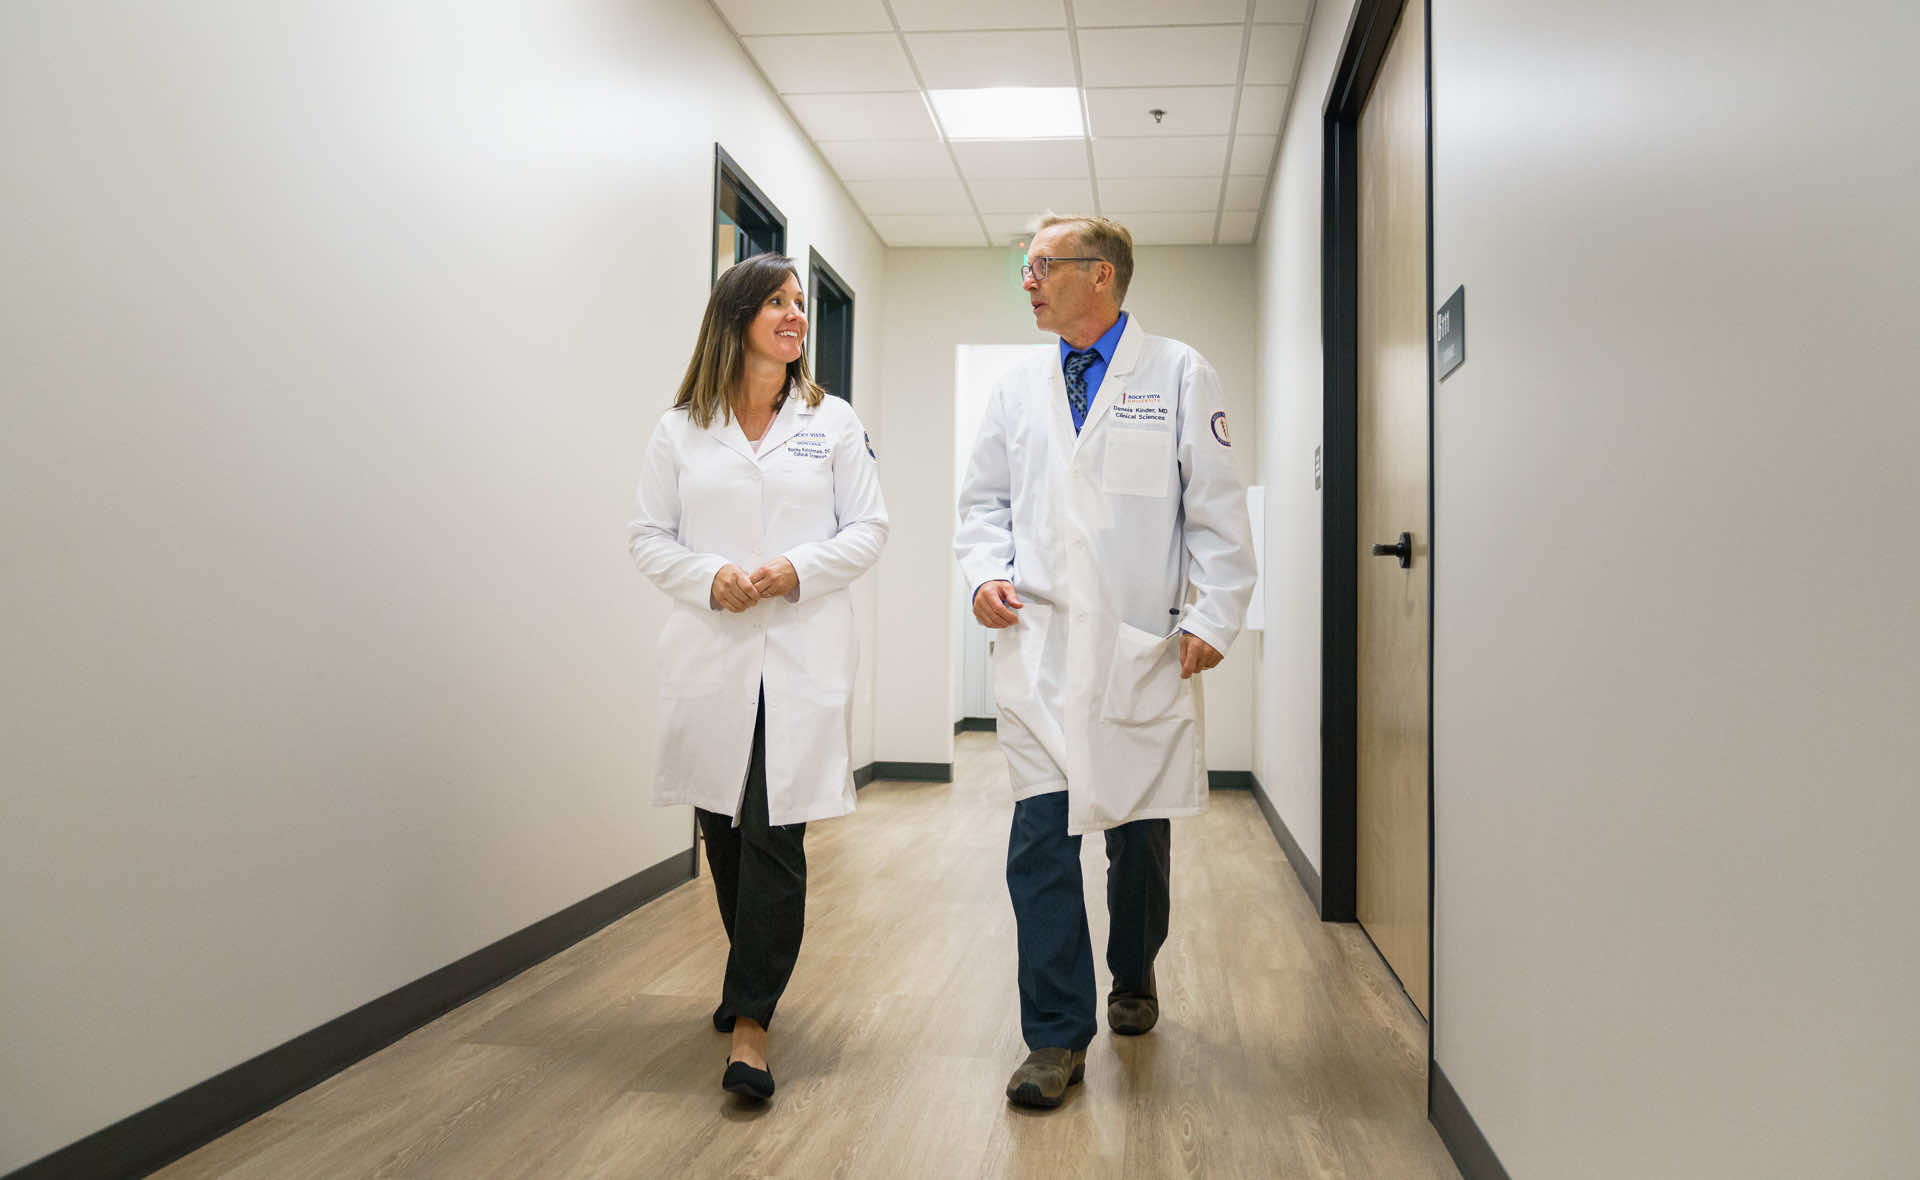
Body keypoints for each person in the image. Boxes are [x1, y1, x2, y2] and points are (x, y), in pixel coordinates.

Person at [955, 215, 1256, 1109]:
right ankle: (1054, 1037)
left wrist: (1215, 615)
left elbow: (1217, 512)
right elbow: (982, 507)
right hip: (1039, 650)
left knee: (1138, 841)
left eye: (1044, 266)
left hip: (1137, 647)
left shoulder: (1176, 372)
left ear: (1102, 276)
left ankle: (1134, 970)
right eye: (1026, 267)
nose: (1029, 281)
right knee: (1040, 844)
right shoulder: (1015, 390)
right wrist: (984, 576)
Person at [628, 253, 887, 1101]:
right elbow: (647, 536)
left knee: (776, 830)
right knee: (725, 827)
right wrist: (710, 577)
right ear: (737, 317)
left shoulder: (830, 420)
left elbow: (869, 528)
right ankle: (753, 973)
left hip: (800, 649)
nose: (794, 316)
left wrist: (793, 568)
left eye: (799, 304)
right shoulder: (680, 428)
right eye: (776, 302)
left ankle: (751, 1026)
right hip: (714, 652)